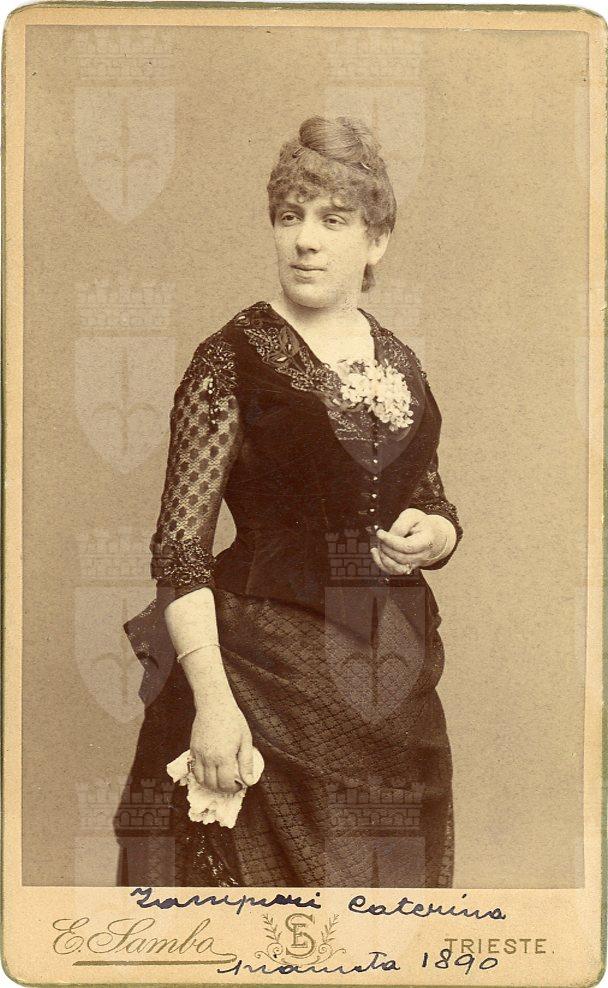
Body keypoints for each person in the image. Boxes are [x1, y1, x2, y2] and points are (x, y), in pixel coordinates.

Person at [113, 115, 463, 888]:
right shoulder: (230, 360)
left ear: (376, 240)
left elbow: (431, 498)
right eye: (288, 216)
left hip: (393, 691)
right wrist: (212, 703)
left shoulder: (400, 360)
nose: (304, 240)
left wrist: (433, 534)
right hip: (258, 683)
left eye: (332, 220)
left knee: (390, 920)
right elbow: (179, 554)